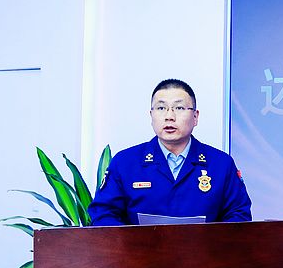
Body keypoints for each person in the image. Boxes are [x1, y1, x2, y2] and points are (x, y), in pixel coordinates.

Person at [88, 78, 252, 225]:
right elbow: (103, 214)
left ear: (195, 117)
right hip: (137, 250)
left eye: (179, 108)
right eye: (161, 108)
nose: (169, 116)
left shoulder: (221, 164)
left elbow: (239, 215)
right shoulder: (125, 162)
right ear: (151, 115)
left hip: (204, 250)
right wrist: (131, 244)